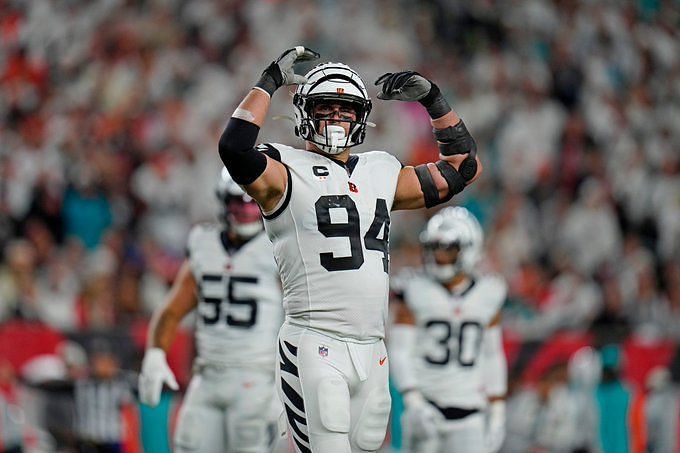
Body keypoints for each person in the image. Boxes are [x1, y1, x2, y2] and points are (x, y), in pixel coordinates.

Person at [217, 46, 482, 452]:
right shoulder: (284, 170)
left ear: (362, 117)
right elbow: (234, 148)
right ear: (305, 111)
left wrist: (434, 99)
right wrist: (270, 80)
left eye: (347, 110)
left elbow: (462, 166)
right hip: (314, 339)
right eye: (327, 107)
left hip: (373, 346)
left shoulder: (381, 169)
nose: (337, 118)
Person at [138, 169, 284, 453]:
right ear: (223, 200)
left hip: (257, 378)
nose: (245, 209)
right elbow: (172, 309)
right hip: (206, 377)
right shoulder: (203, 243)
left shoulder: (278, 246)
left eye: (251, 201)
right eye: (237, 201)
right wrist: (155, 356)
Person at [389, 207, 507, 453]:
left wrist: (497, 409)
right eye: (434, 248)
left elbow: (493, 354)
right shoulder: (415, 288)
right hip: (425, 405)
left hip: (469, 410)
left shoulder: (489, 292)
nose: (438, 256)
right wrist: (413, 402)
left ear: (468, 248)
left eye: (447, 249)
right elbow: (399, 350)